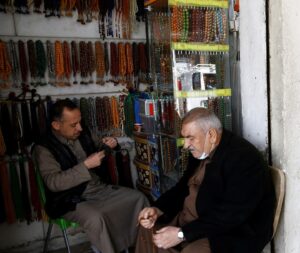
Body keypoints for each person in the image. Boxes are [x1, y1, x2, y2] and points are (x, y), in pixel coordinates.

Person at [135, 107, 275, 253]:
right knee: (147, 230)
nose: (186, 144)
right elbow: (182, 187)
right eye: (185, 138)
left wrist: (182, 234)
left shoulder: (243, 159)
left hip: (230, 233)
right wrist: (158, 209)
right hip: (194, 221)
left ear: (212, 135)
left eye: (190, 138)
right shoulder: (202, 150)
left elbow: (231, 215)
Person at [33, 99, 149, 253]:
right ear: (56, 125)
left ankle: (144, 246)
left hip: (99, 189)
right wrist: (86, 166)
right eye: (73, 125)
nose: (80, 128)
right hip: (70, 199)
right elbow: (54, 182)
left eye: (80, 122)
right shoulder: (44, 148)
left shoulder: (83, 133)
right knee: (96, 218)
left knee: (138, 198)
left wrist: (111, 143)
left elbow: (100, 147)